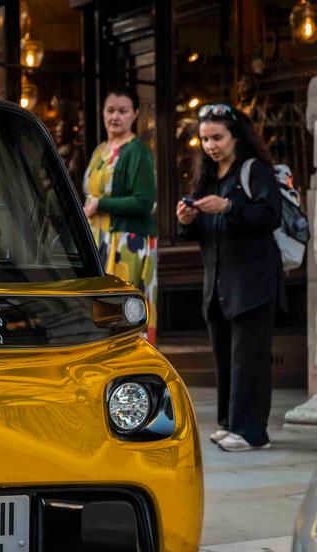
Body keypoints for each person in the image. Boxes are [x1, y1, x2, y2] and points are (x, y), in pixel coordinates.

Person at [177, 103, 284, 452]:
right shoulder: (207, 178)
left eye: (217, 137)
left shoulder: (255, 171)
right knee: (226, 357)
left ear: (236, 136)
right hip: (218, 285)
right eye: (205, 139)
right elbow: (198, 234)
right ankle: (230, 423)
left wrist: (229, 208)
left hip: (253, 283)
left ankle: (253, 432)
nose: (210, 145)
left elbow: (270, 216)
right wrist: (186, 222)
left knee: (249, 358)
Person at [83, 88, 159, 342]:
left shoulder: (137, 151)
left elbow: (144, 201)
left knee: (124, 310)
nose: (115, 117)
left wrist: (101, 204)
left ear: (135, 114)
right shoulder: (100, 150)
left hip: (127, 242)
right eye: (110, 110)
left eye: (123, 111)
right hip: (99, 239)